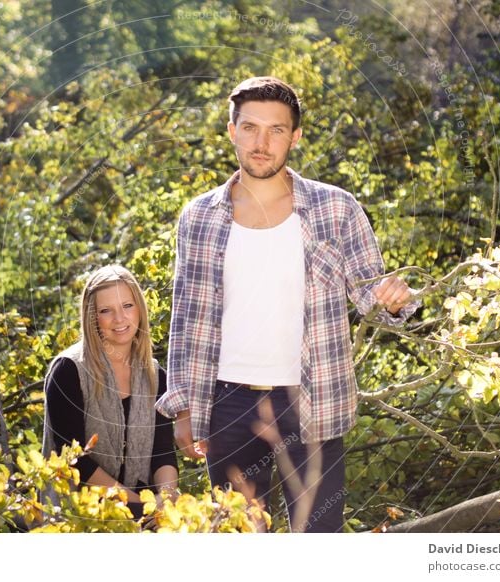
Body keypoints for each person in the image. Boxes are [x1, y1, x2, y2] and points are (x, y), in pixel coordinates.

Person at [156, 76, 418, 532]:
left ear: (294, 137)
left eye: (276, 130)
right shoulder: (198, 217)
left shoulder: (336, 208)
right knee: (239, 545)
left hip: (311, 405)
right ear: (232, 129)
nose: (262, 143)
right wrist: (183, 407)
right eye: (251, 127)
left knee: (315, 546)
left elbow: (371, 296)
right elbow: (187, 318)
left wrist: (393, 301)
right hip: (227, 406)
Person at [43, 265, 178, 519]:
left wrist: (166, 501)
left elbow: (163, 452)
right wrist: (139, 508)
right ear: (92, 317)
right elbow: (74, 460)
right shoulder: (68, 371)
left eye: (127, 306)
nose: (120, 319)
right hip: (78, 516)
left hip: (146, 517)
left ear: (139, 308)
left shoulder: (154, 375)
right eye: (106, 311)